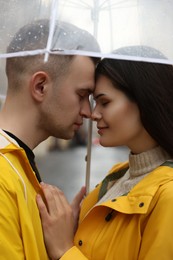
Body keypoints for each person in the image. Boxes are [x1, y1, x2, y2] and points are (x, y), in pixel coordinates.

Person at [36, 46, 173, 260]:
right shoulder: (116, 178)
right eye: (94, 102)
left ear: (145, 100)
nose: (93, 113)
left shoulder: (168, 196)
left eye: (105, 102)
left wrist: (64, 250)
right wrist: (75, 230)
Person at [0, 18, 100, 259]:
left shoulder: (19, 165)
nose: (88, 112)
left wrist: (60, 237)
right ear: (41, 86)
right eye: (82, 94)